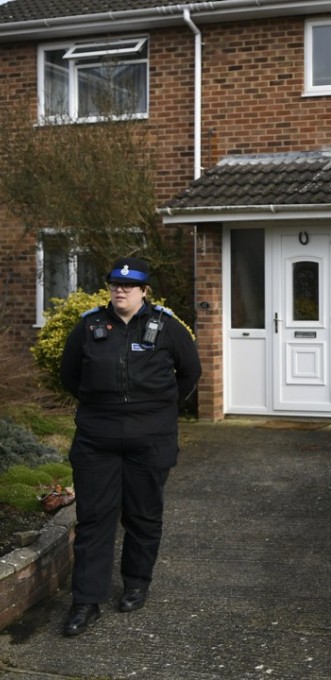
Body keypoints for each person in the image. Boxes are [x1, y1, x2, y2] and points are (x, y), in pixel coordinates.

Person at [58, 257, 202, 636]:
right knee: (94, 519)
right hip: (96, 440)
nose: (120, 290)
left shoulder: (168, 327)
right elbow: (70, 375)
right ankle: (86, 602)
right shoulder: (89, 326)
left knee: (142, 516)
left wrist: (158, 410)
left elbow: (190, 373)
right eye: (115, 284)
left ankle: (137, 584)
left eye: (129, 285)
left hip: (150, 441)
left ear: (144, 291)